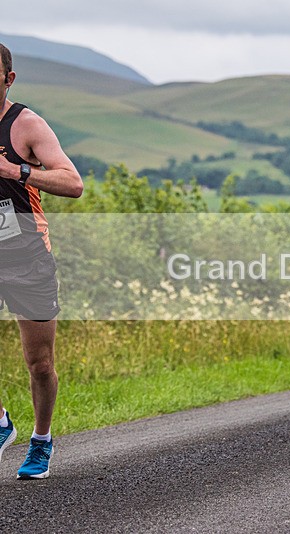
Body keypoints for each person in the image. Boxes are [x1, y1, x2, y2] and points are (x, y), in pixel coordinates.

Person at [0, 43, 83, 480]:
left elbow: (73, 183)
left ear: (8, 79)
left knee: (40, 364)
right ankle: (0, 423)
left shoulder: (26, 125)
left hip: (27, 256)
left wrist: (17, 171)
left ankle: (41, 440)